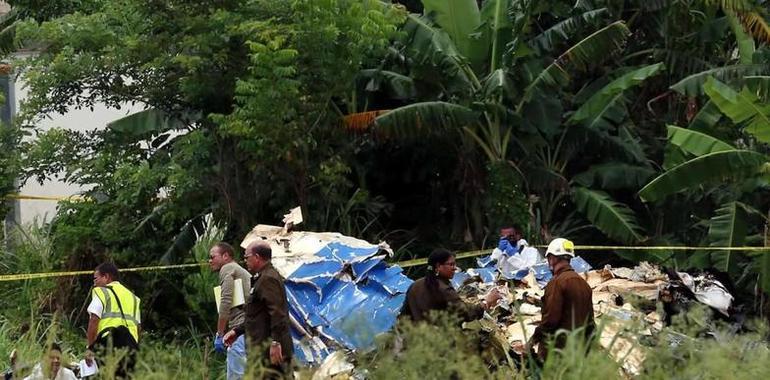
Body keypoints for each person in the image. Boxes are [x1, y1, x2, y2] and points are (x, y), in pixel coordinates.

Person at [223, 242, 292, 379]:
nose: (245, 261)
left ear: (257, 257)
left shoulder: (268, 279)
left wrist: (276, 343)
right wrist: (237, 331)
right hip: (260, 350)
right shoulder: (261, 278)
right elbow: (256, 315)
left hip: (269, 350)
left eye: (247, 257)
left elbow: (277, 313)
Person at [529, 238, 594, 361]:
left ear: (552, 258)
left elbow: (550, 320)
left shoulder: (557, 282)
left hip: (557, 353)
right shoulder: (584, 284)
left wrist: (533, 340)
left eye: (549, 259)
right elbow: (590, 323)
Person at [401, 248, 502, 323]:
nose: (455, 268)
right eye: (451, 264)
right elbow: (466, 313)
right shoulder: (444, 289)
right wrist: (486, 302)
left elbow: (403, 316)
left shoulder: (415, 285)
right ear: (438, 266)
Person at [86, 263, 140, 377]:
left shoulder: (102, 292)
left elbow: (94, 320)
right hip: (131, 348)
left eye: (96, 278)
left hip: (109, 345)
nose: (94, 283)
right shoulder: (133, 298)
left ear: (106, 277)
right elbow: (138, 327)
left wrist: (90, 348)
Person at [209, 242, 252, 380]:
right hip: (248, 328)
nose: (210, 261)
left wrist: (220, 333)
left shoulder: (227, 268)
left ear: (225, 256)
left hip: (239, 328)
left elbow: (226, 300)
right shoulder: (240, 271)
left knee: (236, 375)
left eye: (213, 257)